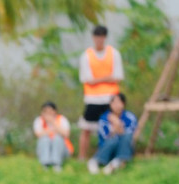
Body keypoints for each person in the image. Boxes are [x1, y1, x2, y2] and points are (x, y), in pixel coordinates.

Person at [78, 25, 124, 161]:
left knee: (112, 127)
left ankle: (109, 155)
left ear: (105, 38)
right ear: (93, 38)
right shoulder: (86, 55)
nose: (99, 39)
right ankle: (82, 156)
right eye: (97, 36)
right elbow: (87, 79)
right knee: (86, 129)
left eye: (102, 36)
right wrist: (107, 78)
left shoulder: (114, 54)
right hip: (92, 99)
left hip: (110, 99)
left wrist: (97, 80)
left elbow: (118, 76)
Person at [88, 92, 136, 175]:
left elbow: (129, 135)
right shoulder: (104, 118)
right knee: (113, 140)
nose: (116, 105)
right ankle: (96, 160)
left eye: (119, 102)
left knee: (126, 137)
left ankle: (117, 162)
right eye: (114, 102)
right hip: (107, 148)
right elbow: (105, 137)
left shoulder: (129, 117)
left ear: (123, 104)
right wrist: (115, 129)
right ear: (110, 104)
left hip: (123, 148)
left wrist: (117, 123)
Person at [33, 100, 73, 170]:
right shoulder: (39, 120)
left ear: (55, 111)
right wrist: (52, 130)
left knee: (57, 138)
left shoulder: (62, 119)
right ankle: (45, 164)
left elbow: (66, 134)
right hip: (45, 150)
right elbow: (38, 134)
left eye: (50, 111)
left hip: (63, 150)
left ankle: (56, 164)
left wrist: (53, 123)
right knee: (45, 139)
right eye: (45, 111)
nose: (48, 113)